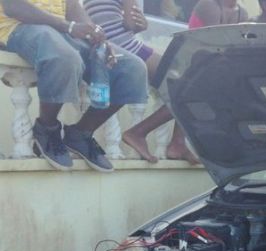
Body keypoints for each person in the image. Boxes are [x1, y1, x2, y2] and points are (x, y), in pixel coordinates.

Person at [0, 0, 149, 171]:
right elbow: (13, 6)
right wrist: (69, 26)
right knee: (65, 58)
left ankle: (80, 134)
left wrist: (97, 37)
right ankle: (47, 129)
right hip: (19, 27)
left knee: (132, 68)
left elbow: (71, 5)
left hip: (62, 31)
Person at [83, 0, 197, 164]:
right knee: (192, 83)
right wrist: (142, 25)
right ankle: (141, 133)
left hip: (110, 44)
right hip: (124, 46)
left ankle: (177, 143)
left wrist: (138, 24)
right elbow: (131, 23)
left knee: (186, 82)